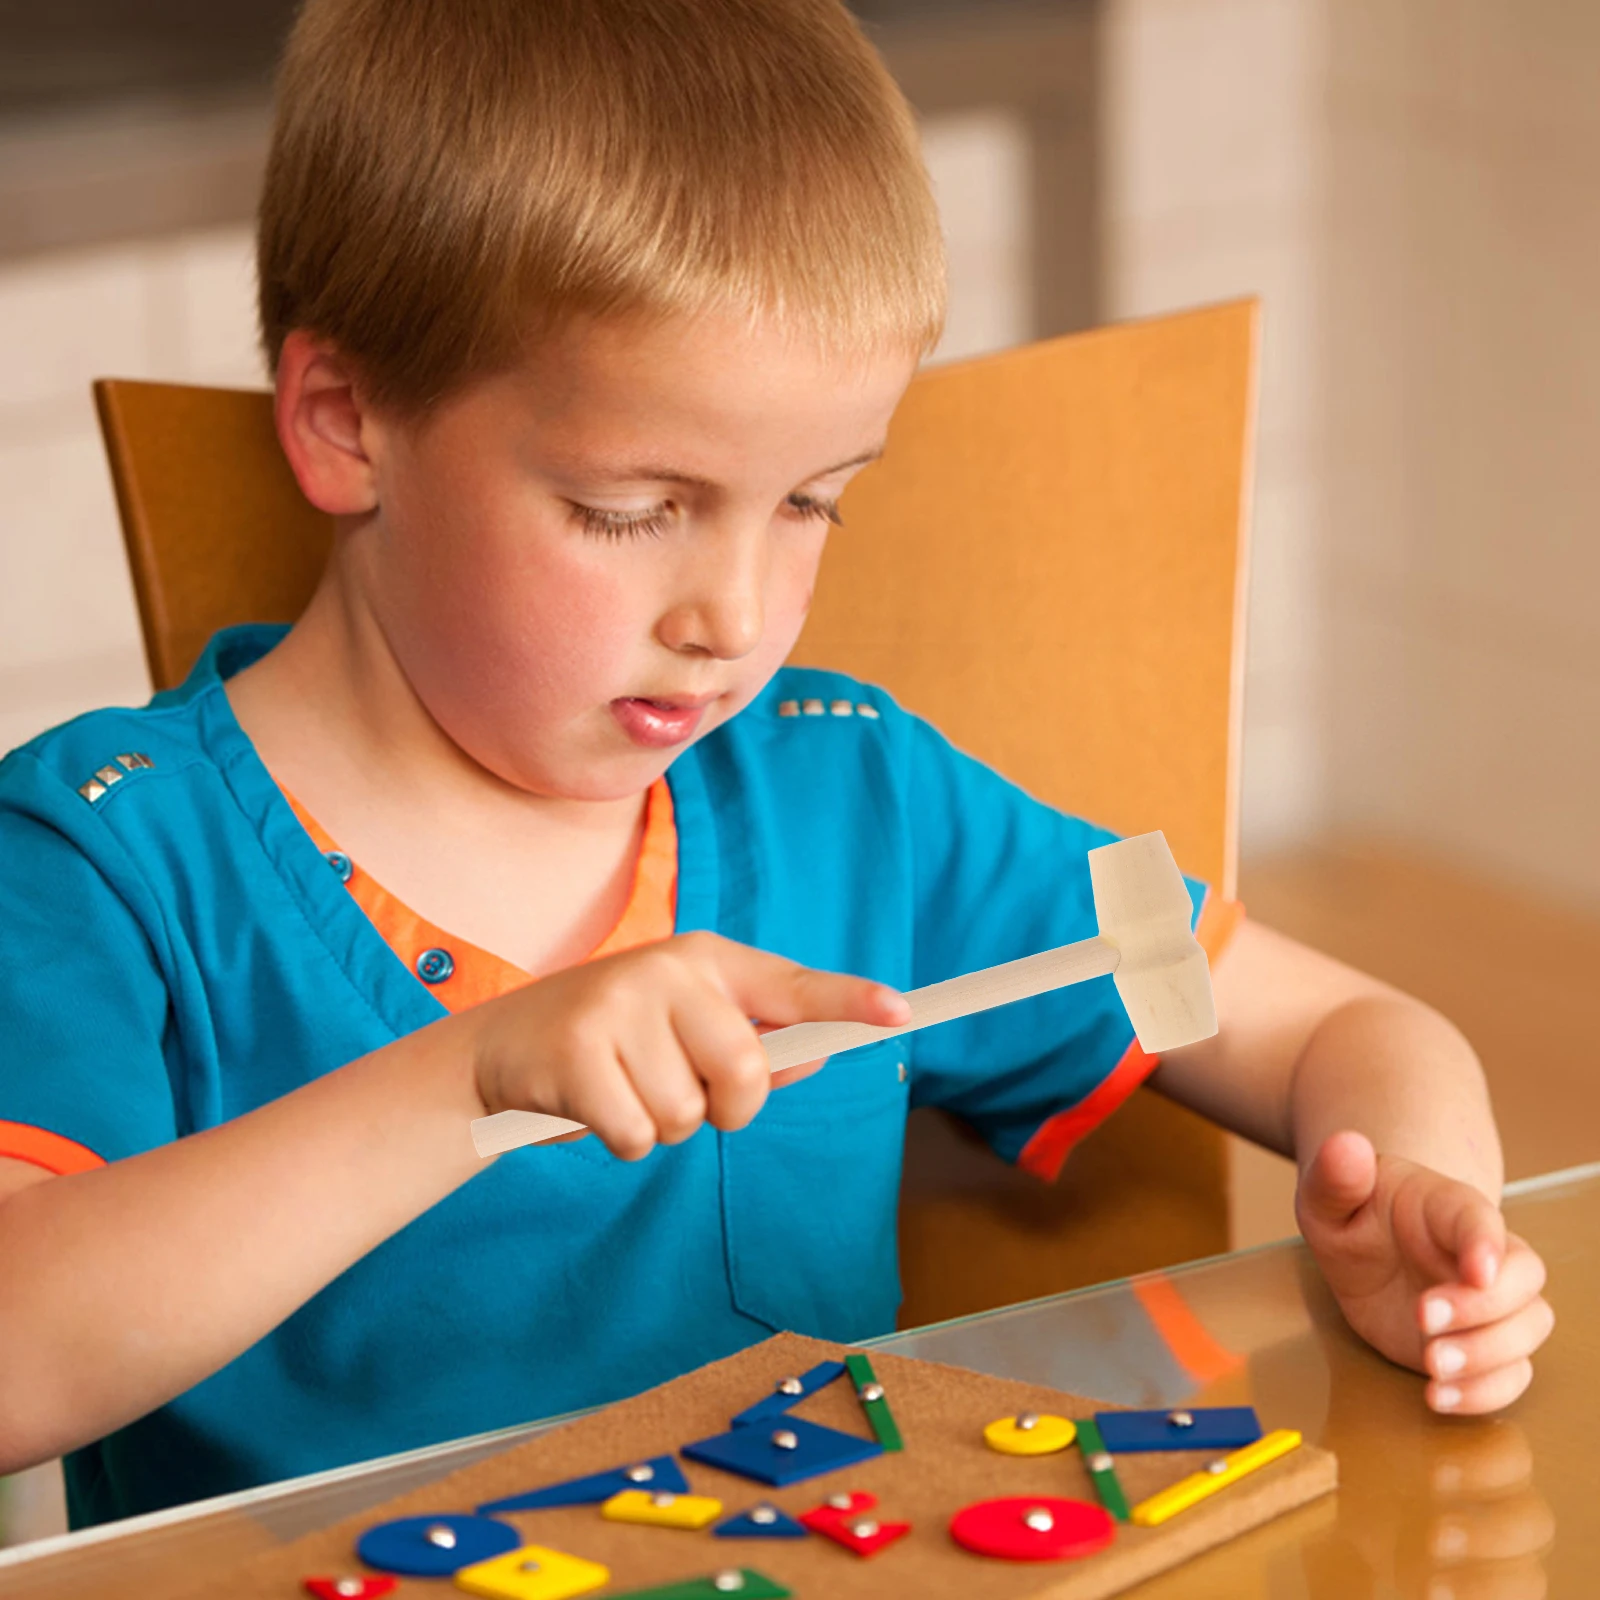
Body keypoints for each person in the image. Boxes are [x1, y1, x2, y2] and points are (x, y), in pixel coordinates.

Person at [0, 0, 1550, 1528]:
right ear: (346, 424)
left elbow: (1344, 1022)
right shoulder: (109, 860)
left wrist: (1424, 1208)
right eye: (630, 508)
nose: (732, 619)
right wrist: (461, 1081)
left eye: (812, 502)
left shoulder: (848, 799)